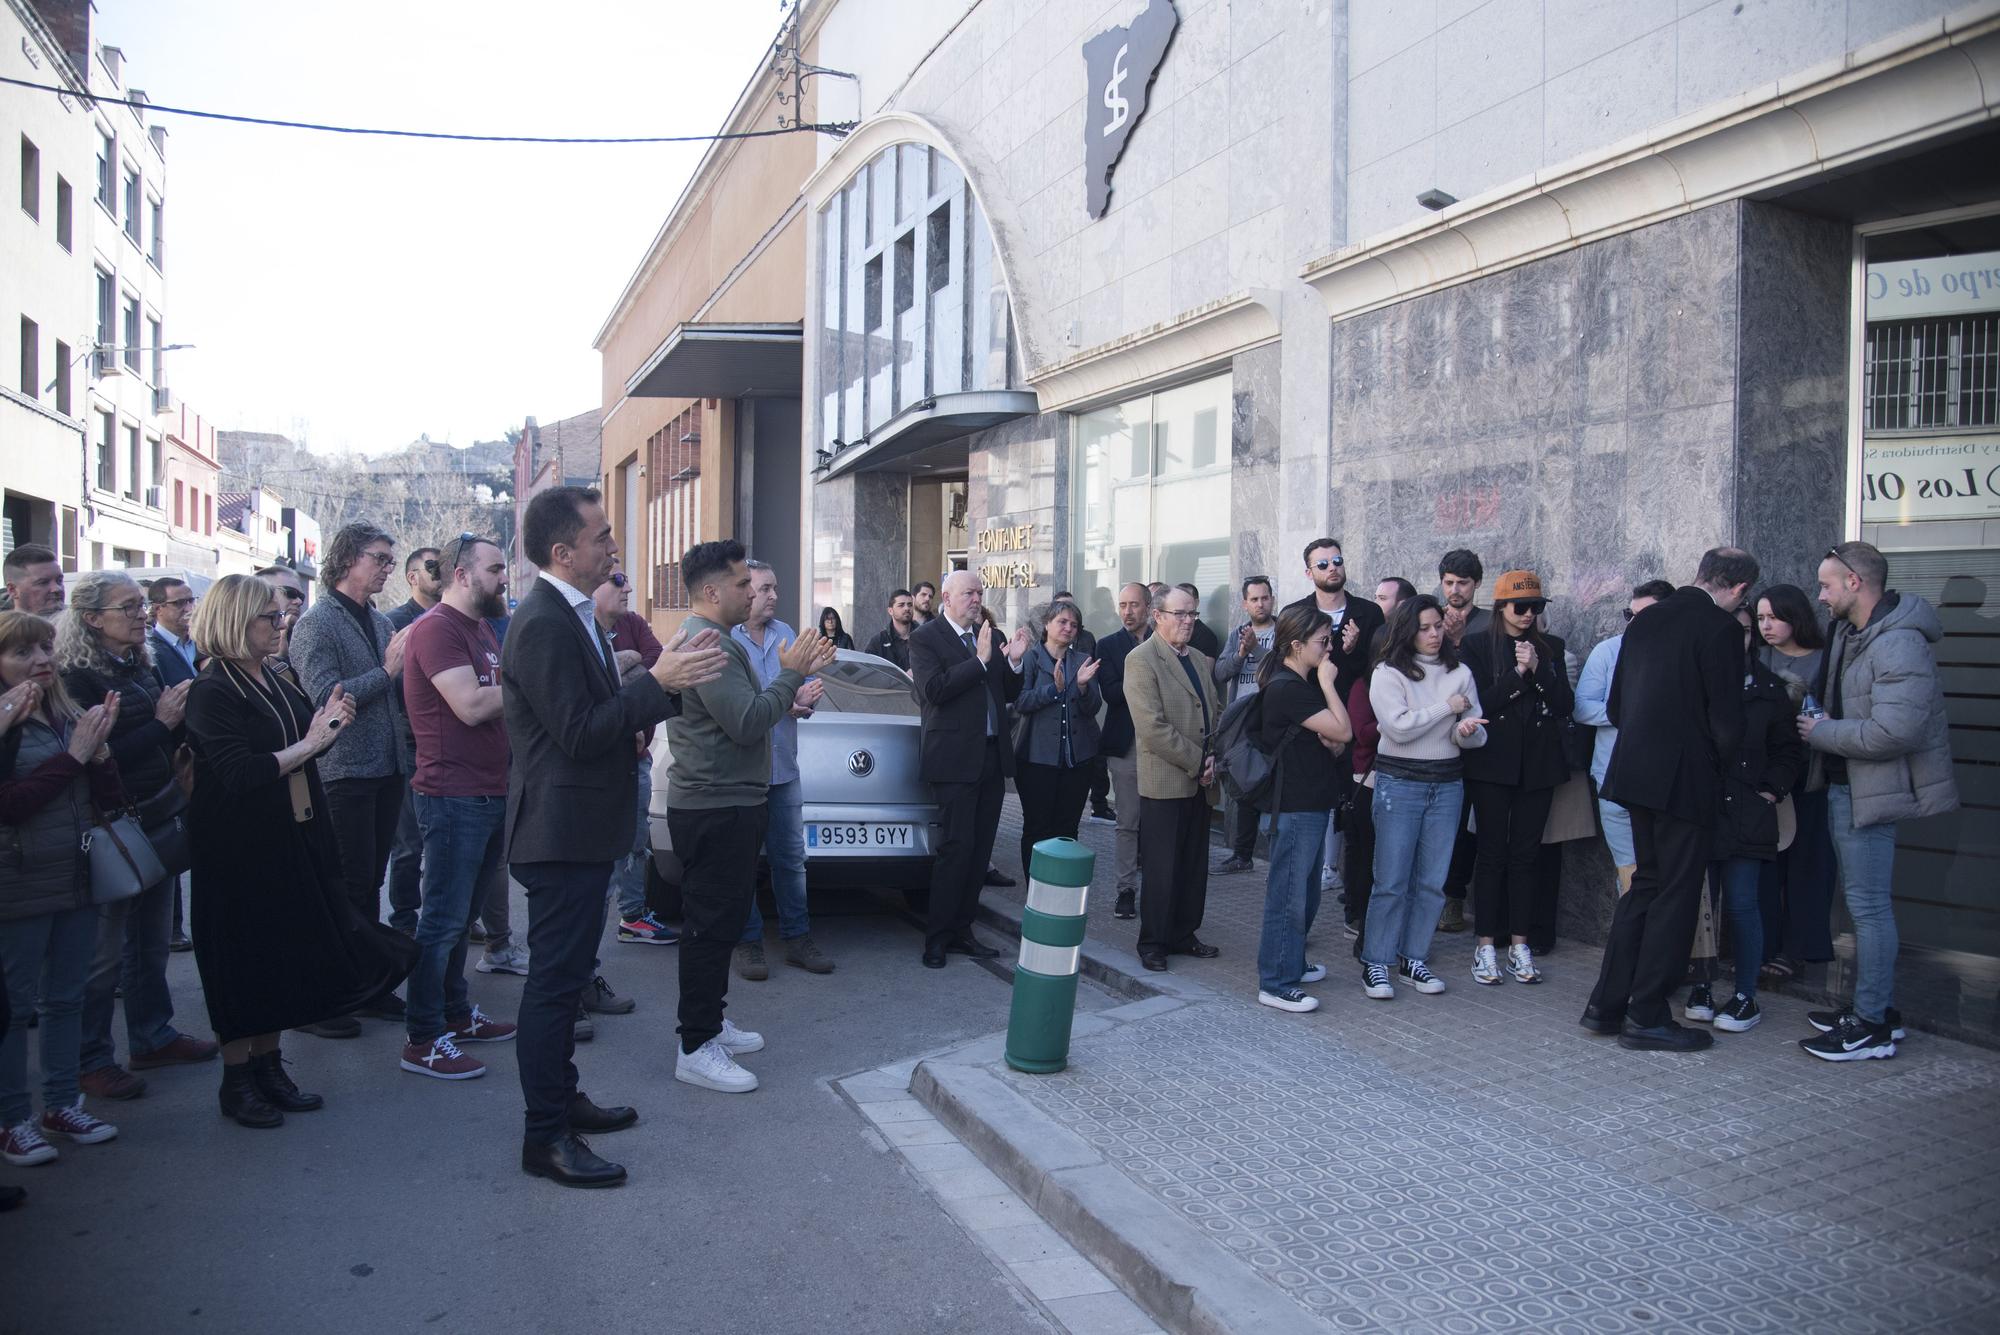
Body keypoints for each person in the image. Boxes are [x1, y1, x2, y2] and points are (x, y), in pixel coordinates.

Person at [502, 486, 724, 1186]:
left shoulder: (574, 613)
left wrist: (660, 684)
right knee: (554, 987)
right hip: (558, 833)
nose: (613, 545)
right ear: (563, 551)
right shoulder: (542, 620)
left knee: (566, 983)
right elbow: (578, 731)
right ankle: (545, 1135)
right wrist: (656, 679)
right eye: (601, 536)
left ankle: (562, 1101)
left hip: (581, 830)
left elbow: (602, 713)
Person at [183, 575, 415, 1128]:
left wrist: (326, 728)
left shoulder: (273, 676)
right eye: (269, 617)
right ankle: (237, 1080)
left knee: (278, 958)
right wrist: (313, 741)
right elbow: (240, 772)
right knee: (241, 967)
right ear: (237, 621)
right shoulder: (213, 689)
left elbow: (303, 743)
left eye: (278, 615)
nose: (281, 622)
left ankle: (268, 1066)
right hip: (238, 849)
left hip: (292, 834)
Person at [668, 542, 830, 1093]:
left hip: (732, 801)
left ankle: (709, 1023)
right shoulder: (708, 642)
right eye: (742, 584)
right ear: (712, 592)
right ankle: (695, 1045)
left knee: (717, 924)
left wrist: (786, 680)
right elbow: (746, 720)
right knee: (709, 929)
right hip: (714, 805)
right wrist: (789, 675)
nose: (752, 592)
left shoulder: (716, 641)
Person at [1583, 547, 1757, 1052]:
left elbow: (1616, 705)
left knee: (1645, 887)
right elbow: (1726, 722)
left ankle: (1606, 1004)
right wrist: (1720, 769)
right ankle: (1647, 1013)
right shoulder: (1721, 630)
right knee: (1676, 894)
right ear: (1741, 590)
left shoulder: (1645, 621)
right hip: (1684, 781)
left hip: (1634, 774)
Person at [1796, 541, 1958, 1062]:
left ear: (1854, 583)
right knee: (1862, 907)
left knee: (1869, 909)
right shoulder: (1855, 631)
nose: (1819, 595)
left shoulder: (1898, 642)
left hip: (1873, 792)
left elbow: (1898, 730)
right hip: (1851, 786)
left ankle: (1871, 1025)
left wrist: (1822, 732)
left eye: (1825, 584)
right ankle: (1874, 1008)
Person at [58, 571, 213, 1102]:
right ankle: (91, 1059)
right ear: (92, 619)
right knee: (103, 955)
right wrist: (165, 725)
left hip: (156, 812)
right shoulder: (75, 678)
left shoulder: (139, 663)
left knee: (150, 942)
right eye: (127, 608)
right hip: (110, 825)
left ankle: (152, 1036)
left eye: (138, 607)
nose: (140, 615)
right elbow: (94, 756)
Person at [0, 611, 125, 1166]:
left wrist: (98, 753)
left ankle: (58, 1103)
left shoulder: (65, 711)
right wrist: (74, 755)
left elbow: (109, 797)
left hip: (75, 874)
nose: (42, 661)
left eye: (45, 648)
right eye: (24, 653)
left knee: (66, 997)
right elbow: (11, 807)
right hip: (18, 881)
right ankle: (10, 1119)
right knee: (14, 1006)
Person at [397, 536, 519, 1082]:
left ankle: (455, 1013)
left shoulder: (480, 627)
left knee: (460, 916)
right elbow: (470, 706)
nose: (504, 579)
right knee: (442, 921)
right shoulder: (438, 629)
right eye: (495, 569)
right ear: (462, 575)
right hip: (452, 796)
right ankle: (423, 1037)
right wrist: (539, 687)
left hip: (488, 789)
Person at [288, 523, 413, 1034]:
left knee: (369, 884)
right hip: (342, 772)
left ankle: (364, 985)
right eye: (380, 559)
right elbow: (327, 698)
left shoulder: (380, 623)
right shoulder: (316, 624)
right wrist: (386, 673)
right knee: (343, 884)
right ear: (346, 559)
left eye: (390, 559)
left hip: (386, 768)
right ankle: (325, 996)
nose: (388, 568)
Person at [1682, 599, 1805, 1034]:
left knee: (1742, 903)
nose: (1738, 641)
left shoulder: (1771, 691)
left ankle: (1745, 995)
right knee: (1701, 906)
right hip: (1703, 809)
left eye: (1746, 633)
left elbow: (1790, 751)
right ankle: (1701, 986)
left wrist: (1771, 789)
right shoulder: (1695, 684)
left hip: (1749, 811)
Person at [1360, 596, 1487, 1002]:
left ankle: (1413, 956)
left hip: (1448, 783)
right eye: (1424, 627)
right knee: (1392, 880)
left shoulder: (1461, 671)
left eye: (1438, 626)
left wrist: (1466, 730)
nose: (1434, 634)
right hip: (1400, 783)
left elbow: (1475, 731)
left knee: (1432, 881)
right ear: (1407, 631)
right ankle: (1376, 961)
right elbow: (1396, 729)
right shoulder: (1388, 673)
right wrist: (1445, 708)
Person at [1457, 571, 1573, 987]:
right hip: (1491, 764)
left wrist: (1539, 669)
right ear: (1501, 608)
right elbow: (1478, 704)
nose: (1528, 615)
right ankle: (1486, 945)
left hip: (1538, 767)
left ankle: (1520, 945)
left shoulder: (1551, 648)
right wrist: (1518, 676)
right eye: (1520, 607)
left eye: (1536, 608)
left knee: (1527, 856)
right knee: (1491, 854)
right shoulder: (1475, 646)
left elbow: (1564, 705)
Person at [911, 570, 1028, 968]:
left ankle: (964, 929)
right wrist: (979, 661)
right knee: (956, 850)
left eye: (980, 592)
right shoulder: (925, 638)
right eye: (968, 593)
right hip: (954, 761)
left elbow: (1007, 694)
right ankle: (937, 937)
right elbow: (934, 691)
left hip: (991, 759)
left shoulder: (991, 636)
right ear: (946, 596)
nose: (976, 599)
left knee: (979, 852)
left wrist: (1012, 662)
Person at [731, 560, 833, 980]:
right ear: (745, 591)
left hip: (785, 769)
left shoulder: (786, 635)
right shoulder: (728, 640)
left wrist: (808, 699)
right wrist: (788, 703)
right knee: (740, 861)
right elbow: (741, 709)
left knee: (791, 859)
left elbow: (798, 695)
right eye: (766, 588)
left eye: (775, 587)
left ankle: (797, 938)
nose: (774, 595)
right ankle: (749, 943)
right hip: (743, 772)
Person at [1252, 606, 1353, 1013]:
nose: (1330, 650)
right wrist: (1329, 685)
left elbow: (1337, 741)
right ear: (1296, 645)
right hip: (1294, 806)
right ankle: (1275, 981)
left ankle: (1291, 960)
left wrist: (1330, 730)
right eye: (1322, 642)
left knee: (1307, 894)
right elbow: (1342, 731)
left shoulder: (1299, 682)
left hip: (1311, 802)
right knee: (1289, 896)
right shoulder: (1288, 687)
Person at [1124, 586, 1223, 973]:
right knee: (1163, 868)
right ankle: (1153, 942)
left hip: (1202, 779)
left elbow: (1213, 708)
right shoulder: (1141, 659)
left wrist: (1214, 756)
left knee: (1193, 864)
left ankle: (1184, 933)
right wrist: (1199, 761)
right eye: (1180, 614)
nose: (1187, 622)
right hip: (1167, 780)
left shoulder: (1197, 658)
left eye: (1192, 615)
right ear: (1157, 616)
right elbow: (1151, 727)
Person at [1752, 582, 1835, 977]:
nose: (1766, 625)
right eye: (1761, 618)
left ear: (1795, 616)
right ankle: (1764, 947)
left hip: (1809, 774)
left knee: (1807, 865)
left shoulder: (1824, 660)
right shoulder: (1756, 657)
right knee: (1766, 867)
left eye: (1774, 617)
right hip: (1763, 775)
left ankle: (1798, 949)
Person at [1574, 581, 1674, 898]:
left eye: (1642, 616)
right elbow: (1581, 707)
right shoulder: (1608, 651)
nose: (1632, 623)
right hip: (1613, 776)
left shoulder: (1680, 652)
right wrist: (1627, 713)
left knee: (1667, 867)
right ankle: (1633, 941)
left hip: (1665, 780)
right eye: (1628, 615)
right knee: (1628, 869)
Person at [595, 569, 677, 950]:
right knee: (601, 854)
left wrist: (619, 668)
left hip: (638, 756)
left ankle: (632, 916)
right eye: (616, 580)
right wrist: (625, 662)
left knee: (636, 841)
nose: (628, 587)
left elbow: (658, 673)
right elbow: (593, 691)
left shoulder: (634, 622)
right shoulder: (578, 628)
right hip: (600, 762)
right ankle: (585, 951)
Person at [1342, 575, 1412, 945]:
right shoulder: (1363, 685)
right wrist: (1401, 723)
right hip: (1366, 780)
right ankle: (1358, 916)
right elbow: (1362, 732)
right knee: (1364, 855)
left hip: (1405, 779)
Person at [1014, 599, 1102, 879]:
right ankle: (1036, 890)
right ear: (1047, 625)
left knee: (1067, 828)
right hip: (1037, 759)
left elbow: (1093, 708)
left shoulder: (1082, 660)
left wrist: (1083, 687)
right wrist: (1055, 689)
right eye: (1062, 622)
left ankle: (1061, 886)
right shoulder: (1030, 658)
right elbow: (1020, 701)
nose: (1068, 628)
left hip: (1076, 759)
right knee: (1037, 827)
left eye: (1073, 625)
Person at [382, 547, 443, 942]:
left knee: (446, 839)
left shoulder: (458, 619)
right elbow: (385, 683)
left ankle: (450, 914)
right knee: (408, 843)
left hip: (448, 742)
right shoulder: (395, 623)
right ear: (412, 577)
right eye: (432, 569)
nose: (441, 575)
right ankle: (404, 919)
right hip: (408, 741)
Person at [1434, 548, 1490, 934]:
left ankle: (1455, 896)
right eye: (1449, 582)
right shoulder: (1428, 621)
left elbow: (1485, 682)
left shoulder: (1488, 624)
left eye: (1463, 584)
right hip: (1433, 736)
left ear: (1476, 585)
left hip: (1474, 735)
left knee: (1467, 825)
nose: (1455, 591)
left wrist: (1459, 645)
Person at [1212, 576, 1277, 875]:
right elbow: (1221, 672)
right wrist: (1241, 653)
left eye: (1265, 598)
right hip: (1244, 723)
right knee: (1246, 787)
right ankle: (1242, 854)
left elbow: (1283, 670)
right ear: (1244, 603)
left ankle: (1276, 852)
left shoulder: (1282, 631)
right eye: (1254, 599)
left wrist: (1257, 651)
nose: (1260, 604)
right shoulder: (1237, 634)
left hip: (1274, 720)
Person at [1094, 583, 1150, 919]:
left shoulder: (1166, 641)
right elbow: (1113, 694)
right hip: (1125, 746)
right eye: (1122, 605)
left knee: (1158, 824)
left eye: (1133, 605)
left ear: (1148, 607)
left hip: (1162, 746)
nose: (1127, 612)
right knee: (1128, 822)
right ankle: (1126, 890)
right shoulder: (1108, 645)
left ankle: (1159, 889)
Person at [146, 579, 201, 687]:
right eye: (179, 603)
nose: (189, 609)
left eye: (191, 600)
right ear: (158, 609)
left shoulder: (203, 642)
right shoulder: (149, 650)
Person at [1, 545, 64, 617]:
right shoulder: (5, 627)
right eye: (43, 582)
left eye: (59, 580)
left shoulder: (76, 624)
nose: (57, 588)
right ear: (13, 590)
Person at [866, 589, 917, 672]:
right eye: (901, 605)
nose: (907, 608)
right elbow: (869, 671)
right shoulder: (878, 641)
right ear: (890, 611)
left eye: (910, 605)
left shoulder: (924, 637)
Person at [1174, 583, 1222, 658]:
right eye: (1177, 599)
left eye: (1186, 599)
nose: (1181, 603)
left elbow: (1204, 668)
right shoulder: (1171, 628)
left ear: (1196, 603)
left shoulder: (1206, 635)